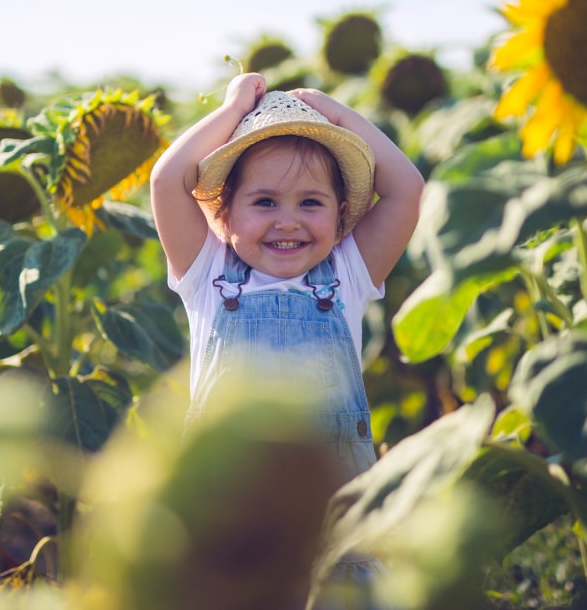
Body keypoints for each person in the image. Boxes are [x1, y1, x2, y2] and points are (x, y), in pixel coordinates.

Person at [150, 72, 425, 608]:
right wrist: (234, 109)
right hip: (231, 512)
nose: (289, 222)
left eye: (311, 203)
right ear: (224, 214)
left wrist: (333, 113)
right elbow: (167, 181)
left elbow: (408, 189)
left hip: (332, 519)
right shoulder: (206, 274)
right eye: (266, 202)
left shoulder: (346, 276)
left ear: (342, 214)